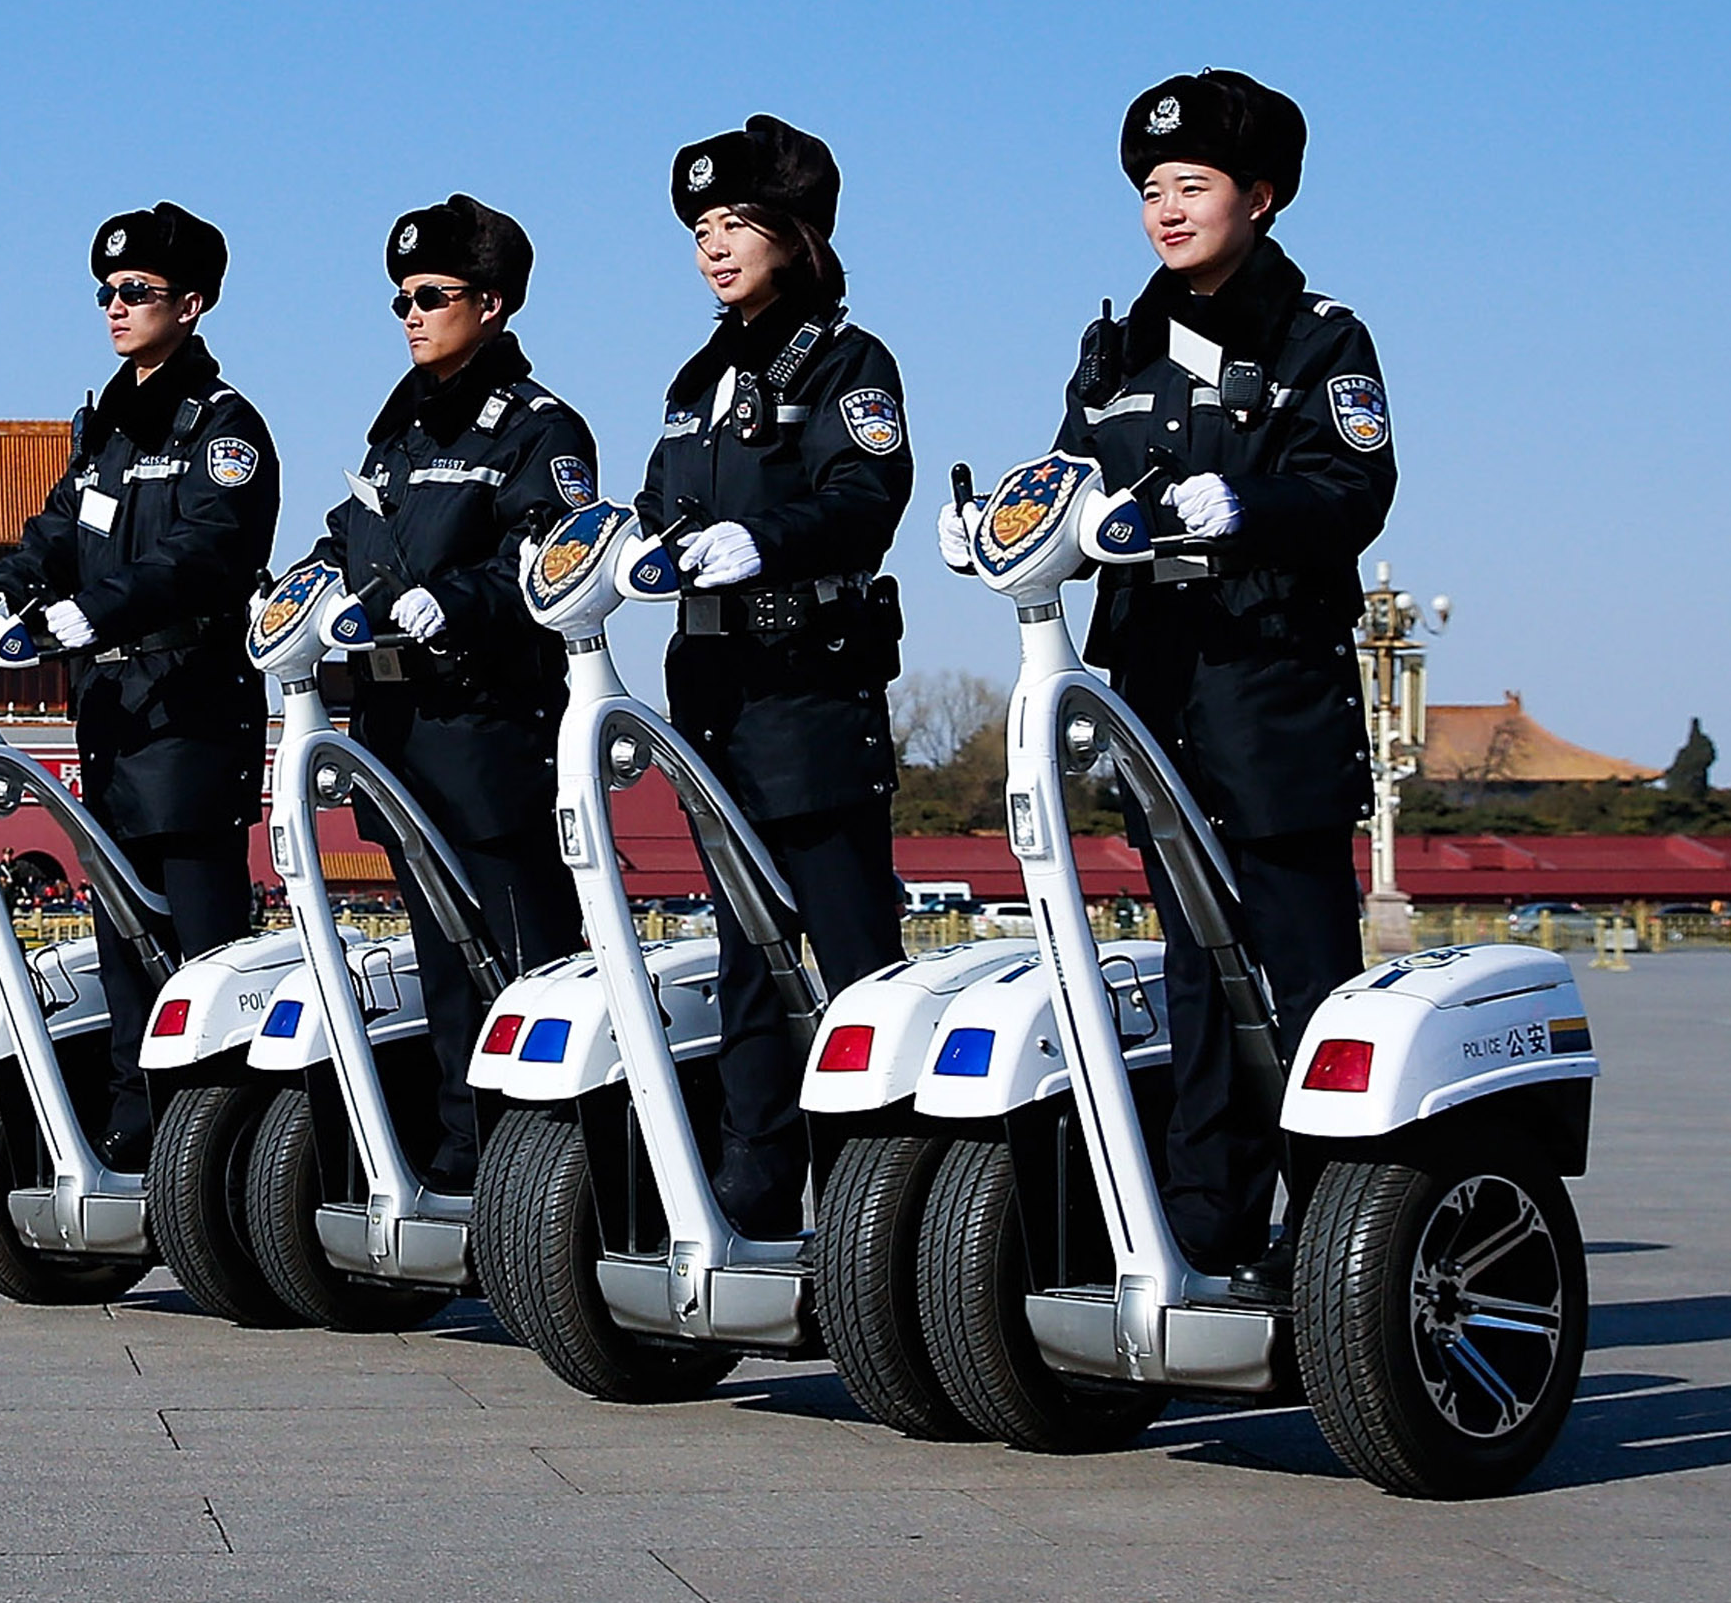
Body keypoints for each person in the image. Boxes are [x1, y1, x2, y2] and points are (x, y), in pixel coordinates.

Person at [939, 68, 1394, 1295]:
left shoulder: (1319, 337)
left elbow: (1355, 490)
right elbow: (1070, 481)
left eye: (1193, 186)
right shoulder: (1115, 345)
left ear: (1264, 195)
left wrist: (1245, 504)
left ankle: (1340, 1238)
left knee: (1299, 966)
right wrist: (999, 523)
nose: (1167, 209)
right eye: (1152, 189)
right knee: (1194, 965)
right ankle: (1208, 1224)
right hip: (1154, 684)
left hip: (1268, 690)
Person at [637, 115, 912, 1239]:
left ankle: (877, 1191)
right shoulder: (699, 376)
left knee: (853, 957)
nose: (714, 245)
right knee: (748, 950)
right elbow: (663, 507)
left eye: (736, 222)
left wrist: (770, 540)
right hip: (715, 693)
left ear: (795, 234)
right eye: (701, 227)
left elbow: (865, 498)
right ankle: (755, 1178)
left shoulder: (848, 362)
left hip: (808, 686)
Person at [0, 203, 280, 1172]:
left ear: (190, 305)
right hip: (111, 713)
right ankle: (135, 1122)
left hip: (188, 711)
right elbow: (54, 535)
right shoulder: (105, 431)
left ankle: (213, 1144)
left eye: (137, 293)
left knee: (199, 947)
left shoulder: (222, 430)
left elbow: (207, 555)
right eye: (106, 292)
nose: (115, 307)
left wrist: (90, 613)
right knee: (118, 934)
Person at [313, 194, 593, 1192]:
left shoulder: (536, 428)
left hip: (486, 730)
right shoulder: (396, 438)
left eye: (430, 295)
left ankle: (547, 1173)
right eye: (399, 299)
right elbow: (345, 540)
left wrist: (462, 600)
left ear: (495, 302)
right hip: (399, 732)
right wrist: (299, 593)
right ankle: (470, 1160)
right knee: (442, 968)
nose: (411, 314)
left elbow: (550, 551)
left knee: (520, 962)